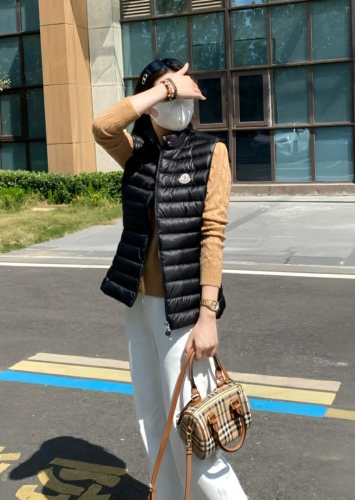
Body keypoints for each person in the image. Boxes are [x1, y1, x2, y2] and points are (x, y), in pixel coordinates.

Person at [92, 58, 248, 500]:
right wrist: (163, 89)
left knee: (193, 429)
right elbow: (102, 127)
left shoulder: (210, 152)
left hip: (181, 311)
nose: (180, 99)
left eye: (183, 89)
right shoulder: (136, 153)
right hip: (140, 305)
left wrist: (208, 315)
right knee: (152, 419)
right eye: (169, 91)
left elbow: (213, 233)